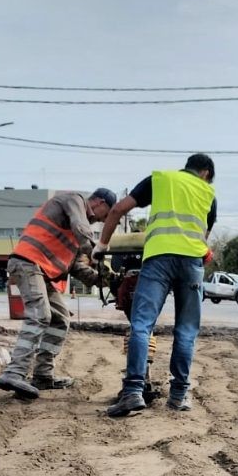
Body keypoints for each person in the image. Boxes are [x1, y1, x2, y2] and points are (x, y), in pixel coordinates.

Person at [93, 153, 217, 417]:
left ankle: (133, 392)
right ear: (206, 172)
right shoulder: (209, 194)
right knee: (186, 330)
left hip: (158, 258)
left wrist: (101, 245)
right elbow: (203, 239)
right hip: (192, 263)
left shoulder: (160, 179)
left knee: (142, 324)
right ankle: (178, 396)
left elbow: (117, 210)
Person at [0, 188, 117, 399]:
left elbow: (78, 268)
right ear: (99, 202)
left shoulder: (80, 233)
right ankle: (14, 372)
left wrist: (108, 279)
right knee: (40, 315)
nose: (102, 221)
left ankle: (42, 375)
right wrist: (97, 253)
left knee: (60, 319)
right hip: (27, 262)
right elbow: (81, 228)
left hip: (43, 273)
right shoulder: (73, 200)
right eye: (106, 215)